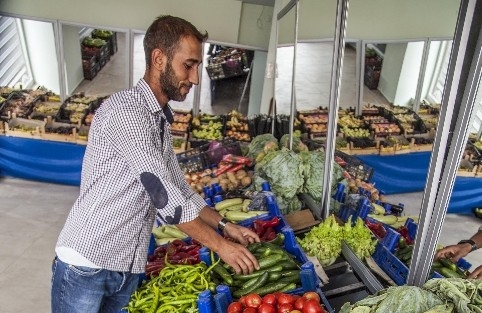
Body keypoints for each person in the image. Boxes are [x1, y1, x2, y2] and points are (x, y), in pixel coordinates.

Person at [51, 15, 260, 313]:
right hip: (87, 264)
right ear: (159, 58)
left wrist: (226, 225)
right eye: (188, 65)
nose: (196, 78)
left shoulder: (158, 119)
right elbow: (164, 197)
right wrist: (221, 247)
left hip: (126, 266)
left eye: (197, 66)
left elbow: (180, 191)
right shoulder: (128, 112)